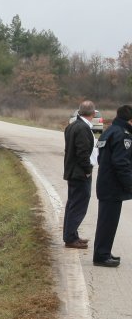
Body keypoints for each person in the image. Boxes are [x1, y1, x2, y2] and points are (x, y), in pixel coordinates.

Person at [92, 104, 132, 267]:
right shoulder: (123, 136)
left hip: (106, 182)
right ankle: (101, 255)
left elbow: (101, 159)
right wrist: (130, 185)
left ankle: (104, 252)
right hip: (113, 186)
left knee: (107, 222)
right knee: (108, 222)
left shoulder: (110, 131)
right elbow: (121, 163)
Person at [62, 100, 96, 249]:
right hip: (79, 173)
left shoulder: (72, 126)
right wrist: (88, 170)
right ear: (93, 113)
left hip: (72, 171)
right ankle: (70, 238)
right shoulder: (83, 128)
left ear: (79, 111)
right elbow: (82, 153)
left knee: (73, 204)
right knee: (78, 206)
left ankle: (71, 235)